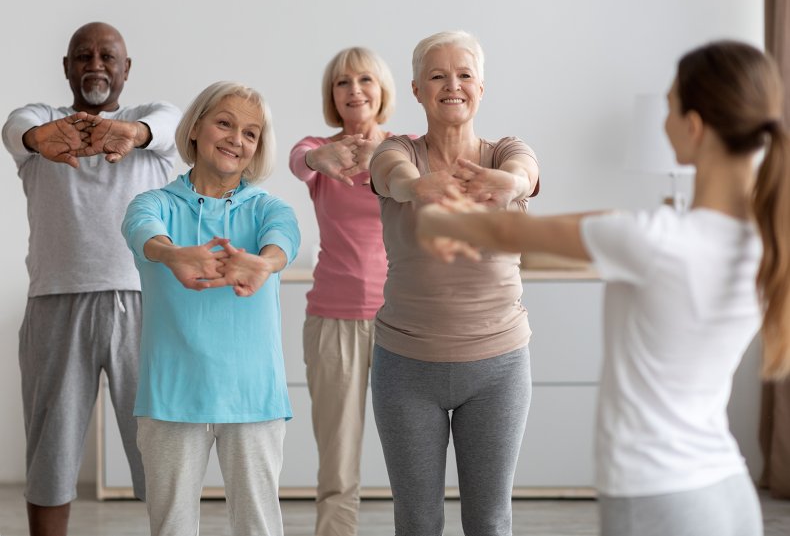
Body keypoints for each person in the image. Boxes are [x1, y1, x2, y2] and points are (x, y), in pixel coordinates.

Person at [416, 40, 790, 536]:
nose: (665, 121)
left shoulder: (653, 239)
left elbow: (512, 232)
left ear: (694, 128)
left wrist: (437, 222)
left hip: (658, 496)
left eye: (671, 106)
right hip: (728, 490)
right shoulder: (768, 241)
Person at [1, 21, 180, 536]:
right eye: (83, 55)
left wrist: (133, 134)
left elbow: (170, 124)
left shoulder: (149, 125)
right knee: (51, 450)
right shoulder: (41, 126)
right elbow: (14, 127)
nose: (95, 64)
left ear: (127, 69)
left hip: (144, 306)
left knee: (160, 447)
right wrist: (39, 139)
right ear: (66, 67)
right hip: (56, 303)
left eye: (107, 56)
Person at [368, 30, 540, 536]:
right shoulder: (397, 152)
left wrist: (511, 184)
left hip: (498, 366)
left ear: (481, 88)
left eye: (465, 74)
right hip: (406, 367)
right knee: (417, 521)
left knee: (489, 520)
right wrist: (418, 187)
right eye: (438, 75)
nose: (453, 85)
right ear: (418, 90)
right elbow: (391, 175)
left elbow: (525, 170)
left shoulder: (504, 152)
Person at [122, 81, 300, 536]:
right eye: (224, 123)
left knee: (259, 526)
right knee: (171, 528)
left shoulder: (267, 208)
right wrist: (174, 254)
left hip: (253, 396)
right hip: (172, 395)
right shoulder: (155, 202)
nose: (235, 140)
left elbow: (284, 240)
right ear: (197, 127)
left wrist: (263, 264)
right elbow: (142, 229)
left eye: (250, 133)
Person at [288, 47, 399, 536]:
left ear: (382, 91)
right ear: (332, 96)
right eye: (343, 82)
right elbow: (299, 160)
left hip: (404, 319)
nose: (354, 90)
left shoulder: (407, 148)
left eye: (365, 80)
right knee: (337, 461)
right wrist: (320, 156)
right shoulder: (317, 148)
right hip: (333, 320)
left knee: (414, 458)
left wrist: (385, 158)